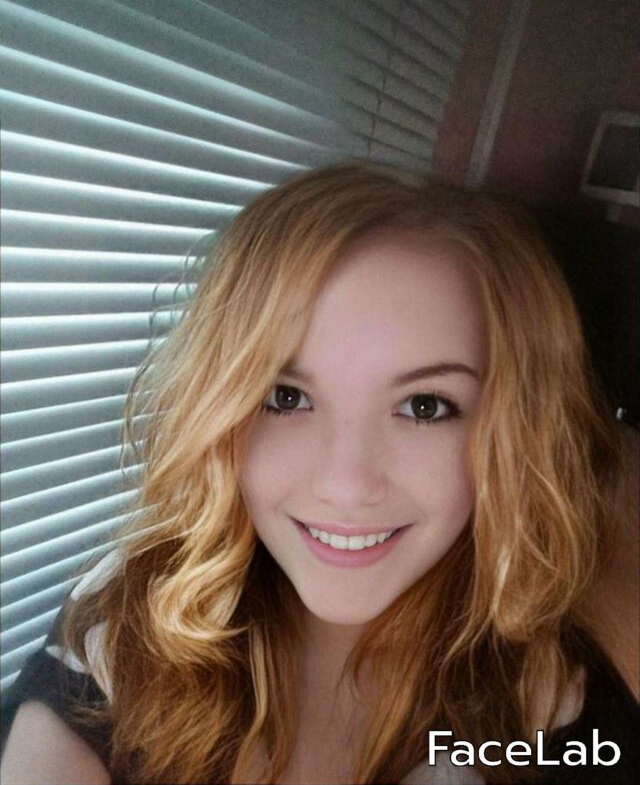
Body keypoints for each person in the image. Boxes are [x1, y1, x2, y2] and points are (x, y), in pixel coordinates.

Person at [1, 161, 638, 784]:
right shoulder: (135, 607)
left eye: (424, 406)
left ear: (515, 432)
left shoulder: (557, 708)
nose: (345, 486)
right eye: (285, 397)